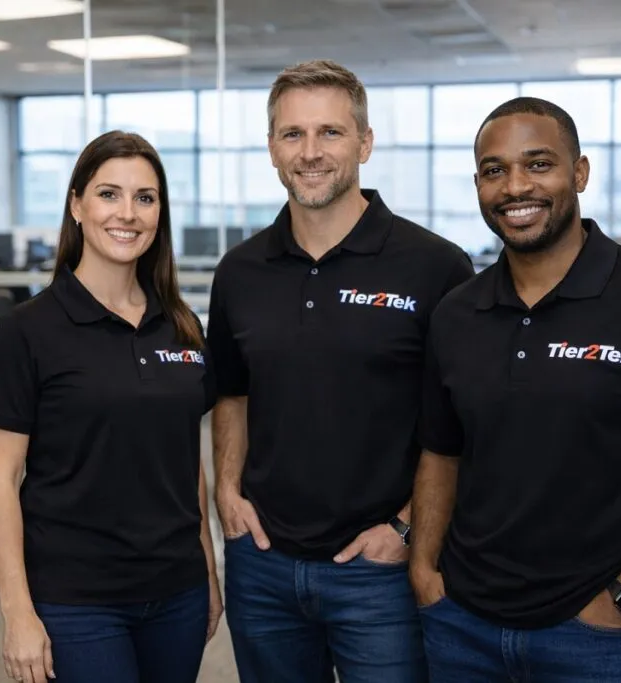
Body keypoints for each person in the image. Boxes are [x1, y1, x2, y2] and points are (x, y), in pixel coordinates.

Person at [411, 96, 621, 682]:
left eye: (538, 164)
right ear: (478, 185)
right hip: (463, 628)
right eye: (495, 170)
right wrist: (424, 571)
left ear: (579, 173)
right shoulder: (456, 314)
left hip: (606, 639)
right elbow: (441, 454)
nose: (515, 187)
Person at [206, 59, 475, 683]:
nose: (310, 152)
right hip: (263, 564)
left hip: (380, 572)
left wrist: (406, 528)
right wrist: (227, 493)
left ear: (365, 142)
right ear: (272, 148)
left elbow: (466, 423)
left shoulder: (435, 267)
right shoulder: (240, 271)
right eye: (292, 134)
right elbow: (232, 392)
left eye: (330, 131)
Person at [0, 130, 221, 683]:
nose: (127, 213)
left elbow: (187, 464)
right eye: (109, 194)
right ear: (76, 205)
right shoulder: (28, 331)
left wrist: (207, 569)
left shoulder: (181, 326)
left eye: (145, 197)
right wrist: (17, 612)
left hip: (176, 593)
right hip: (76, 601)